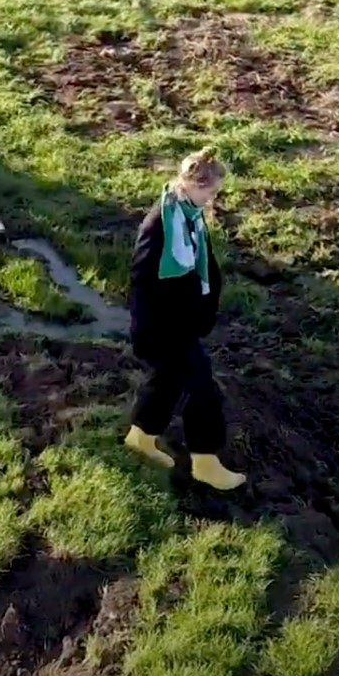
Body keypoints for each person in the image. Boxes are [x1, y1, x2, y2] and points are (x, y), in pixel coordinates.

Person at [122, 148, 245, 491]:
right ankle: (206, 462)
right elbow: (143, 280)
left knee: (166, 382)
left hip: (179, 325)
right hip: (163, 329)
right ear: (193, 184)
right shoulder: (161, 223)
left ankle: (140, 438)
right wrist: (159, 327)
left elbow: (199, 265)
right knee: (203, 389)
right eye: (212, 191)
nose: (214, 198)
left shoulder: (188, 213)